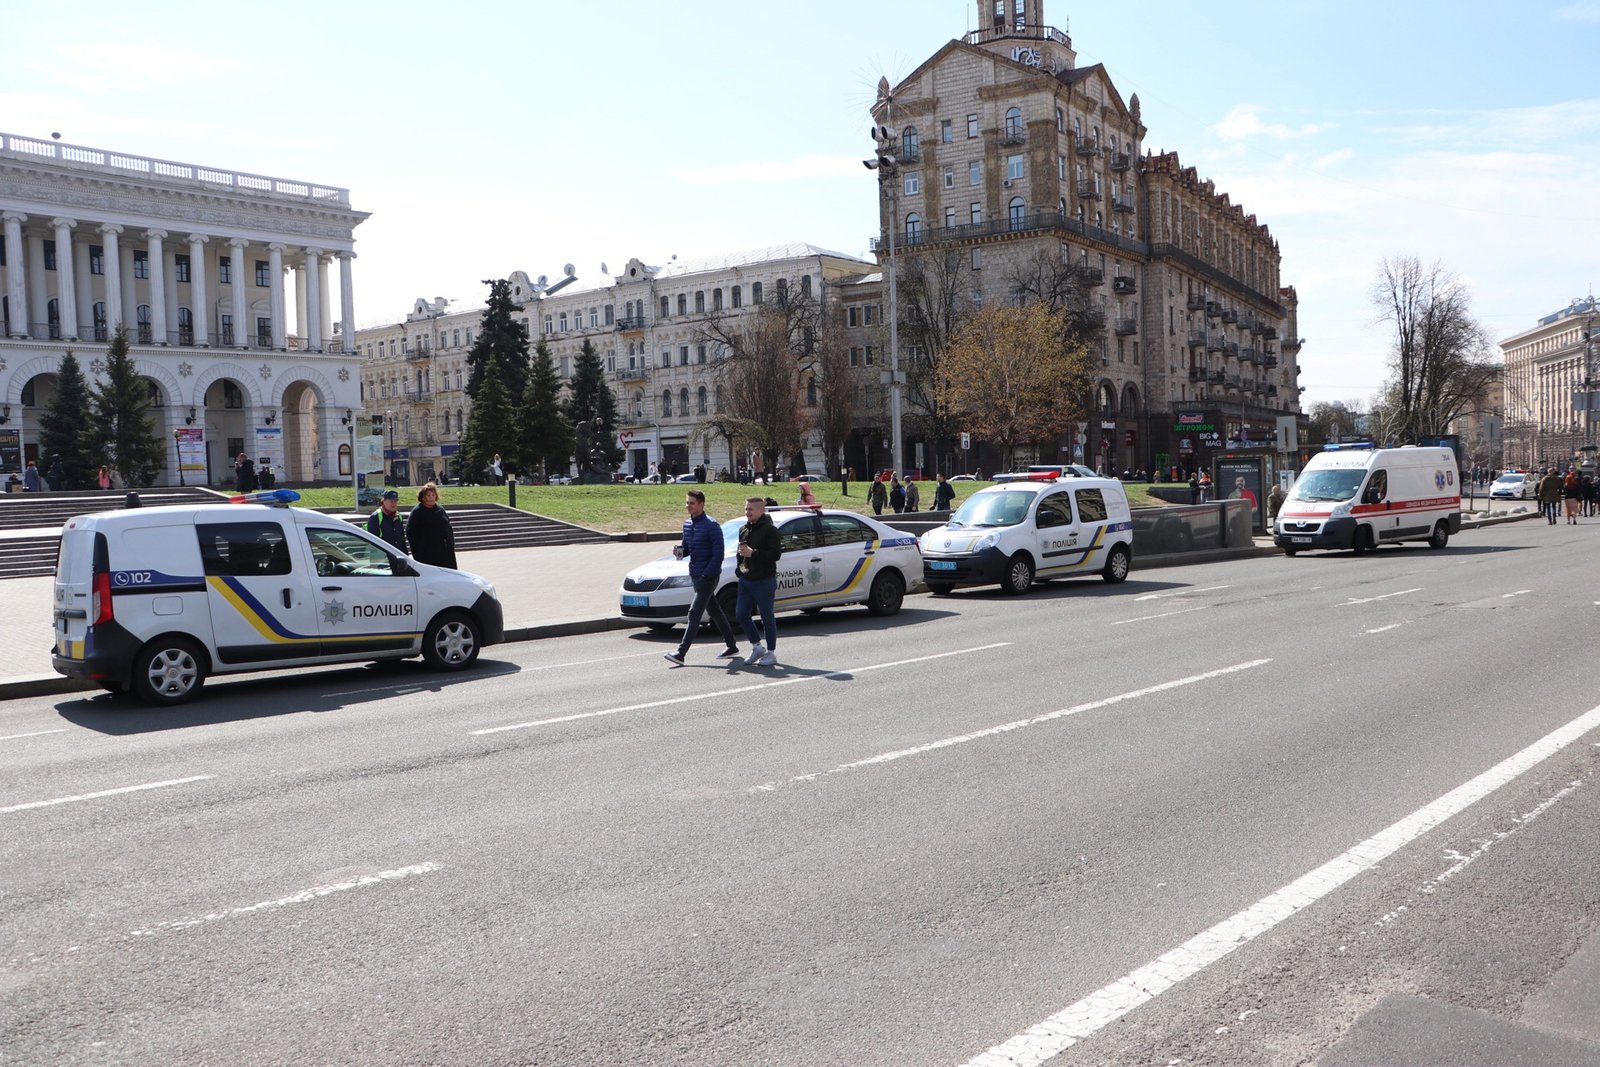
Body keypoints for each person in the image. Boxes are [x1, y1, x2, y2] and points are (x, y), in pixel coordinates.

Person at [663, 490, 740, 666]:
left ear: (701, 504)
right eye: (687, 502)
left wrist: (707, 574)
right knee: (715, 611)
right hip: (695, 574)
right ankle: (732, 646)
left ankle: (681, 653)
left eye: (692, 503)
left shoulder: (712, 525)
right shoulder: (687, 524)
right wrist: (679, 551)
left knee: (694, 613)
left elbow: (718, 554)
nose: (688, 506)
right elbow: (687, 549)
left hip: (708, 576)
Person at [735, 496, 782, 667]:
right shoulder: (743, 529)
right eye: (746, 508)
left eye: (751, 509)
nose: (748, 512)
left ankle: (771, 652)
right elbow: (741, 552)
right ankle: (757, 647)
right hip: (746, 579)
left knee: (766, 616)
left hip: (764, 580)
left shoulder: (770, 530)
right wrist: (739, 567)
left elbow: (775, 555)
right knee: (741, 614)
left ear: (761, 511)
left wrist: (753, 553)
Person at [406, 482, 457, 568]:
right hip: (427, 556)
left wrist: (450, 545)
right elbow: (411, 533)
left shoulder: (440, 510)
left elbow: (448, 529)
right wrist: (419, 553)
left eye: (433, 495)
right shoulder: (417, 512)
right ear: (423, 497)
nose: (431, 498)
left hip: (445, 554)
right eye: (428, 495)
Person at [365, 489, 410, 553]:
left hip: (399, 556)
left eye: (395, 501)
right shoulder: (375, 517)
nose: (393, 503)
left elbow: (402, 540)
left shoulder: (398, 516)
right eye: (391, 501)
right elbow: (372, 542)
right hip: (383, 557)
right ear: (383, 501)